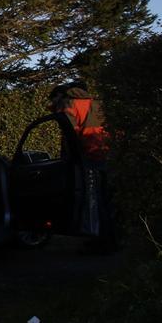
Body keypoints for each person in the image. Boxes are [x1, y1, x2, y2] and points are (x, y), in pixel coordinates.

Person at [48, 81, 115, 252]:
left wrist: (67, 159)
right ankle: (113, 236)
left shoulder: (69, 104)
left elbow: (69, 134)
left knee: (92, 199)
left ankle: (98, 239)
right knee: (109, 199)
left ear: (60, 95)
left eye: (54, 100)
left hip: (88, 156)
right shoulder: (97, 102)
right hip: (110, 153)